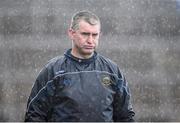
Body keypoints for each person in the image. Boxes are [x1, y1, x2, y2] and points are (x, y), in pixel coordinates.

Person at [24, 10, 135, 122]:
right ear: (72, 33)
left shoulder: (112, 70)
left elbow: (125, 116)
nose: (90, 40)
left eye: (94, 35)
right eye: (85, 34)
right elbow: (34, 115)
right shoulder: (53, 70)